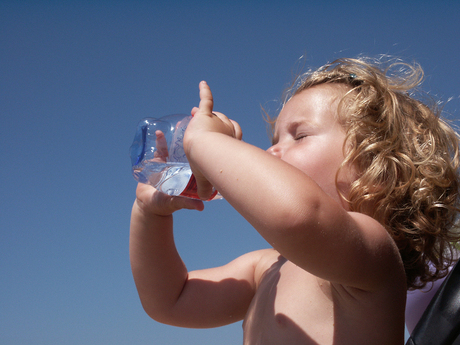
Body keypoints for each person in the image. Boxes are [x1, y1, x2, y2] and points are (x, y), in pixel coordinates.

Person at [130, 57, 460, 344]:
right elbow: (170, 299)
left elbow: (297, 216)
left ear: (376, 170)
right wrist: (150, 216)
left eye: (299, 136)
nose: (270, 151)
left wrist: (204, 140)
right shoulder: (263, 269)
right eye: (273, 140)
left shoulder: (373, 257)